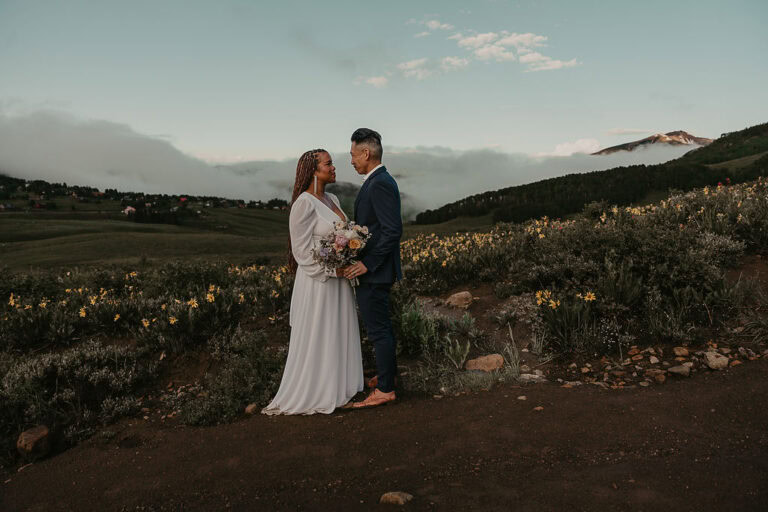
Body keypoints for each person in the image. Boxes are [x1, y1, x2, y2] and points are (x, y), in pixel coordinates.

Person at [261, 149, 364, 415]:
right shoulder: (303, 204)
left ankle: (341, 388)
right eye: (328, 164)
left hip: (340, 281)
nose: (333, 168)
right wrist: (333, 271)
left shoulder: (332, 198)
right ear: (313, 170)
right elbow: (302, 252)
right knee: (322, 332)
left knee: (338, 330)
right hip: (319, 283)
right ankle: (317, 391)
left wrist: (349, 252)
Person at [344, 128, 403, 409]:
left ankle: (386, 389)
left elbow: (392, 231)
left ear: (366, 153)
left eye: (353, 154)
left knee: (379, 331)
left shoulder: (379, 183)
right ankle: (387, 375)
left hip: (376, 271)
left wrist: (367, 263)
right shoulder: (377, 180)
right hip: (377, 269)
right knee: (381, 328)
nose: (351, 161)